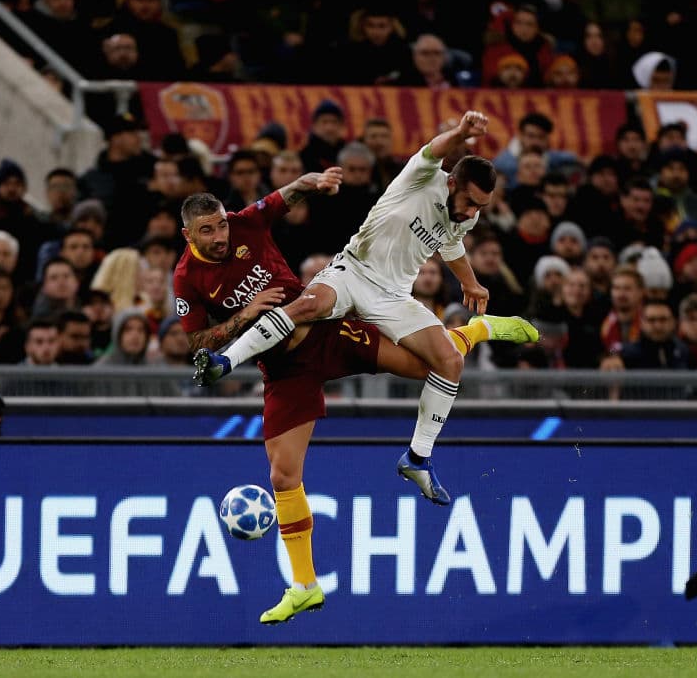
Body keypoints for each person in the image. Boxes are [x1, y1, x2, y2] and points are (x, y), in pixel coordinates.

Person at [173, 166, 515, 625]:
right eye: (207, 230)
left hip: (326, 333)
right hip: (282, 370)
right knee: (282, 475)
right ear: (187, 234)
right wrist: (245, 315)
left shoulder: (246, 224)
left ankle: (474, 331)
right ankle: (305, 586)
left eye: (220, 224)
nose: (219, 235)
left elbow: (283, 196)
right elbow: (196, 344)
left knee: (427, 365)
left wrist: (310, 181)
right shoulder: (187, 278)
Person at [191, 112, 538, 504]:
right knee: (309, 304)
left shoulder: (464, 216)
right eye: (470, 202)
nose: (473, 212)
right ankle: (224, 361)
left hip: (393, 296)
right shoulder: (421, 178)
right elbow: (433, 150)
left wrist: (469, 280)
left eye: (481, 207)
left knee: (448, 363)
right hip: (353, 269)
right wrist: (459, 133)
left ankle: (418, 458)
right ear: (452, 182)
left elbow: (451, 241)